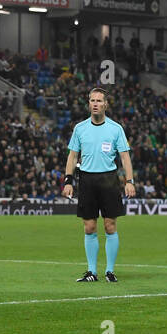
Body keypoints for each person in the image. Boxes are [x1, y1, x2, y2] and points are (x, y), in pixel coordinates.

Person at [62, 87, 134, 282]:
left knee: (110, 226)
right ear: (89, 104)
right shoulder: (80, 128)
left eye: (99, 101)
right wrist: (68, 180)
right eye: (92, 100)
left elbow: (125, 157)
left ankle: (110, 271)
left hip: (109, 179)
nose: (95, 104)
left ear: (105, 104)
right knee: (89, 227)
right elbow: (72, 155)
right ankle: (91, 272)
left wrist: (129, 181)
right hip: (86, 180)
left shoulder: (115, 128)